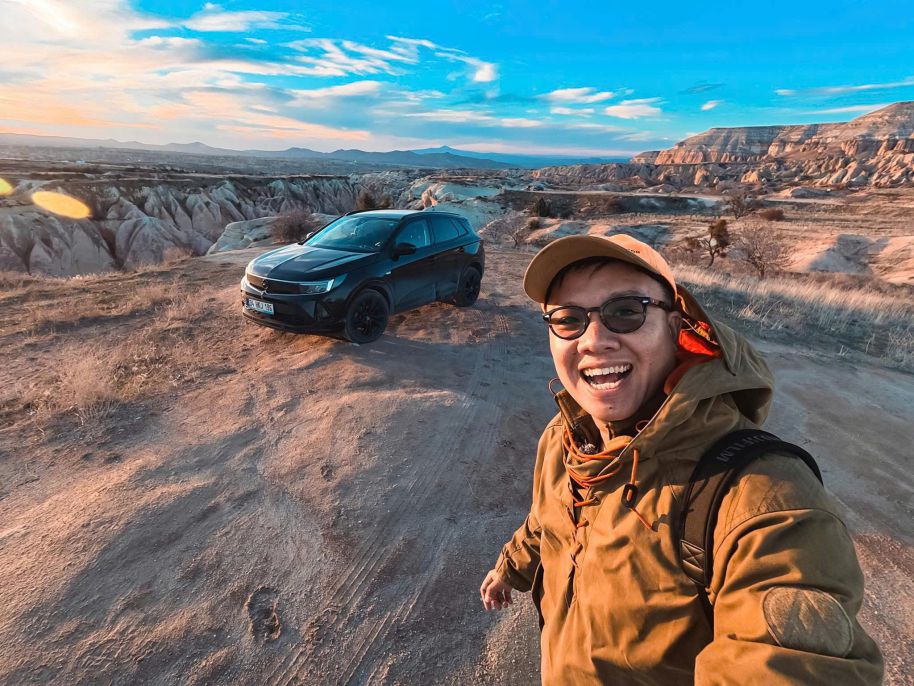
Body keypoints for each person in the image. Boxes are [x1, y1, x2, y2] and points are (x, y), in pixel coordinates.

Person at [479, 234, 883, 684]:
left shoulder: (762, 495)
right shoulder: (564, 438)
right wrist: (509, 567)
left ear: (676, 330)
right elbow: (548, 519)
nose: (593, 340)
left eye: (626, 312)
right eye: (568, 319)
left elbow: (789, 666)